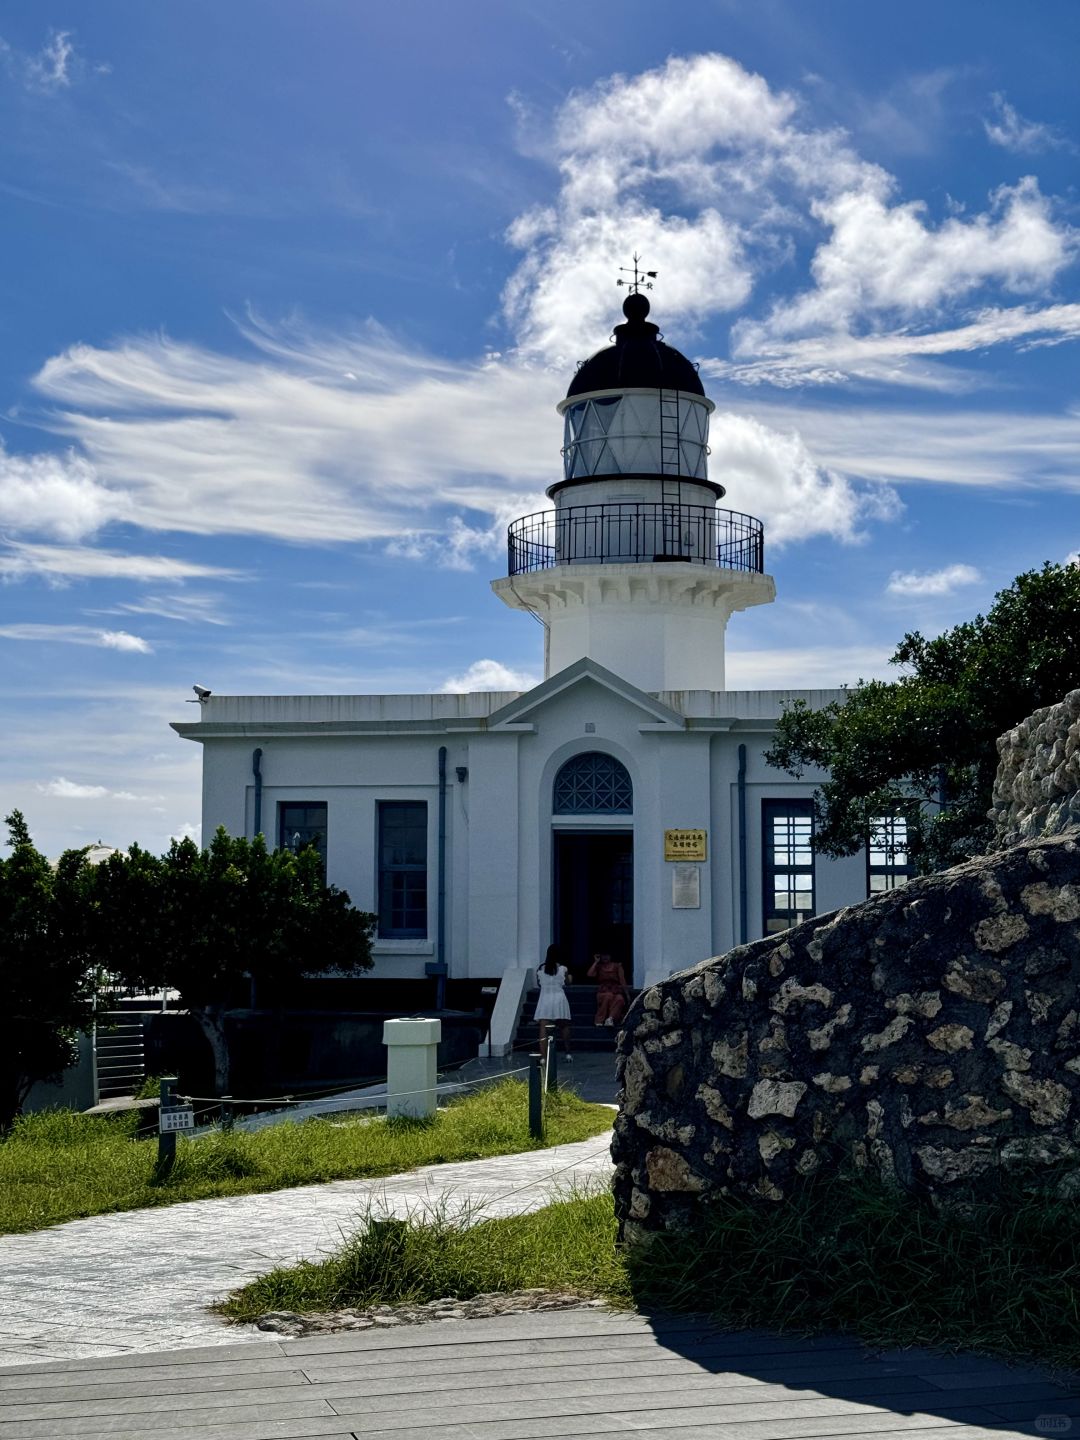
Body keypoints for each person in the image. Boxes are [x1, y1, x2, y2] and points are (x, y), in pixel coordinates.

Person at [533, 944, 572, 1061]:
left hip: (545, 999)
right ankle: (568, 1053)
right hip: (559, 998)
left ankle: (543, 1056)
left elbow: (539, 984)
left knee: (543, 1029)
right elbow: (568, 982)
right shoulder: (563, 969)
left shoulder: (540, 969)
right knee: (564, 1026)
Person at [588, 951, 630, 1028]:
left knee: (620, 999)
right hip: (603, 990)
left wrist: (627, 994)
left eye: (607, 955)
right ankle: (599, 1019)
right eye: (603, 955)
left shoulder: (617, 966)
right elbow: (590, 974)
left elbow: (622, 980)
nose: (605, 957)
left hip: (615, 990)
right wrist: (596, 962)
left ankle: (610, 1019)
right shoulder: (599, 966)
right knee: (608, 996)